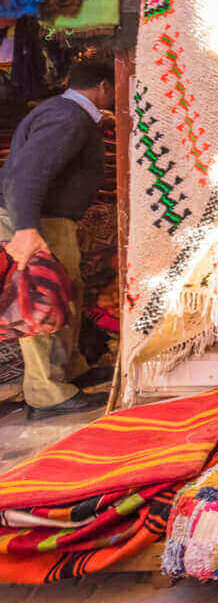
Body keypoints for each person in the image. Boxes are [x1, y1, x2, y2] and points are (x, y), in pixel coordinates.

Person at [0, 61, 114, 419]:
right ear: (104, 86)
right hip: (36, 220)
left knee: (67, 292)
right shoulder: (67, 118)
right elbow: (28, 173)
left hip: (48, 218)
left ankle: (69, 372)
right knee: (39, 298)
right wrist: (26, 229)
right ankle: (46, 393)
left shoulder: (64, 114)